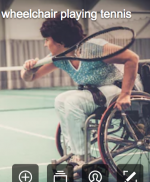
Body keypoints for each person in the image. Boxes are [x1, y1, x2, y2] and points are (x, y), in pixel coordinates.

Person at [21, 15, 143, 165]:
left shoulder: (93, 48)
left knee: (73, 102)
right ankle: (74, 151)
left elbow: (132, 58)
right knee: (61, 100)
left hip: (119, 89)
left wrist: (126, 94)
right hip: (97, 93)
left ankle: (81, 157)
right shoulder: (59, 56)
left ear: (60, 41)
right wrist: (28, 69)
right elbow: (30, 78)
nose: (45, 44)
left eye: (47, 39)